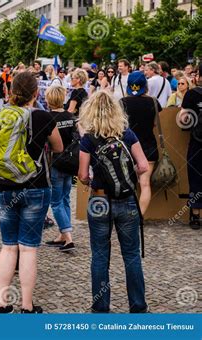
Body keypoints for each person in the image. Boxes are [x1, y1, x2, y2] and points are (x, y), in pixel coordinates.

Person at [0, 71, 63, 314]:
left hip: (4, 186)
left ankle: (2, 302)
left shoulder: (1, 114)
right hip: (35, 187)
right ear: (36, 93)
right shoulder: (43, 116)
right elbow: (59, 146)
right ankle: (26, 304)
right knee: (28, 248)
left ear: (12, 91)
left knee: (8, 246)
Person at [78, 90, 149, 313]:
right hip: (127, 200)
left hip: (99, 200)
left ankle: (101, 307)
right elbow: (144, 165)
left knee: (99, 255)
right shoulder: (127, 134)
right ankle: (138, 305)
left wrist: (92, 182)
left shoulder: (88, 138)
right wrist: (127, 174)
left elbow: (82, 175)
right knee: (131, 255)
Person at [121, 71, 161, 216]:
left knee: (127, 183)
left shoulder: (123, 103)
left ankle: (127, 216)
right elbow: (155, 124)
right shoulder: (153, 102)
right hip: (149, 146)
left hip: (128, 148)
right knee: (145, 184)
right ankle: (139, 216)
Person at [44, 86, 76, 252]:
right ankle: (63, 236)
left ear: (48, 99)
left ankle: (67, 236)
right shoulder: (71, 117)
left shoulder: (48, 118)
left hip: (55, 163)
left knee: (55, 202)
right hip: (70, 163)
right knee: (65, 199)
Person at [178, 65, 202, 229]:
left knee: (195, 178)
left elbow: (184, 124)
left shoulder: (192, 95)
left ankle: (195, 215)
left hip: (197, 143)